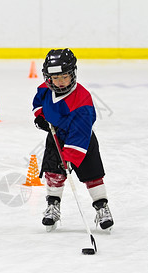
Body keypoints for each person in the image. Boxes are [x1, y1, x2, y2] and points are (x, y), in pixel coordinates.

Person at [32, 48, 114, 230]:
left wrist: (70, 157)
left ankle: (101, 206)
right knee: (53, 172)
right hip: (55, 138)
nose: (60, 82)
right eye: (55, 78)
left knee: (93, 175)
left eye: (64, 77)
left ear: (73, 74)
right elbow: (38, 102)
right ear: (48, 77)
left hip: (82, 142)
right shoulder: (46, 89)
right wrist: (40, 116)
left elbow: (80, 132)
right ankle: (53, 205)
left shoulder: (82, 100)